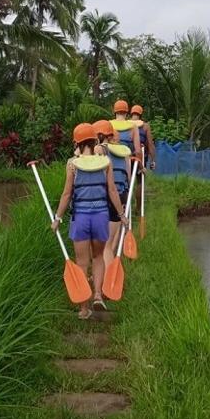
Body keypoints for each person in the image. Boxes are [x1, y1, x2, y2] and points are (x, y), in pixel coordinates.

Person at [51, 123, 127, 319]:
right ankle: (98, 296)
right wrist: (121, 215)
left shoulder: (72, 165)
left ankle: (84, 309)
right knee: (99, 257)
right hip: (101, 216)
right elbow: (112, 191)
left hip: (81, 219)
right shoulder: (105, 163)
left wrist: (57, 218)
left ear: (77, 142)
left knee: (82, 262)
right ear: (94, 141)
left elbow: (67, 194)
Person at [92, 119, 131, 269]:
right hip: (121, 196)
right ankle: (109, 276)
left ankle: (108, 283)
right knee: (109, 245)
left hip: (106, 197)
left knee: (104, 248)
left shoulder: (100, 149)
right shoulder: (123, 151)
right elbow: (127, 175)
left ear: (101, 135)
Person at [129, 104, 156, 170]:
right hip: (141, 154)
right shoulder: (145, 126)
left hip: (128, 154)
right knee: (140, 175)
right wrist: (153, 160)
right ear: (140, 115)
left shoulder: (126, 124)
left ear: (131, 114)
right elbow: (150, 144)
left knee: (128, 178)